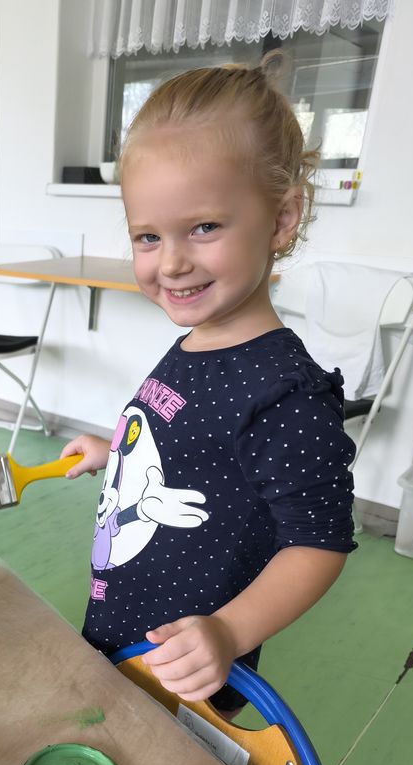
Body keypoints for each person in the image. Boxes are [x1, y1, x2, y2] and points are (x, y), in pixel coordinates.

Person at [61, 56, 357, 716]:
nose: (171, 262)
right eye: (148, 236)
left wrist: (228, 632)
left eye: (204, 228)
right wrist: (114, 453)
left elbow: (318, 543)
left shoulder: (285, 395)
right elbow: (193, 447)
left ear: (281, 219)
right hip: (120, 628)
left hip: (187, 672)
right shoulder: (199, 341)